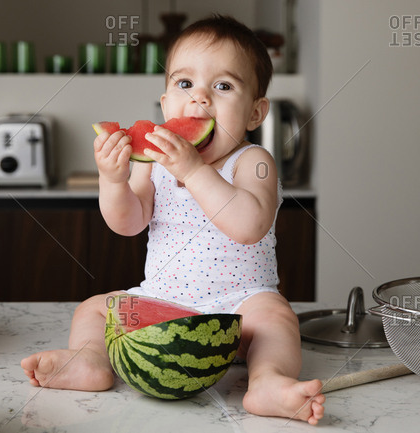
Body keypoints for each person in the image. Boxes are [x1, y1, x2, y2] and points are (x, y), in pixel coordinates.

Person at [22, 15, 325, 425]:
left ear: (256, 112)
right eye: (185, 84)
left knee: (277, 319)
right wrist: (113, 180)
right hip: (162, 301)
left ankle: (268, 381)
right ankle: (90, 361)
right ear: (165, 106)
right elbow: (127, 223)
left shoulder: (252, 162)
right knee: (93, 310)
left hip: (241, 306)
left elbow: (249, 225)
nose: (199, 100)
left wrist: (194, 172)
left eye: (223, 86)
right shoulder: (154, 165)